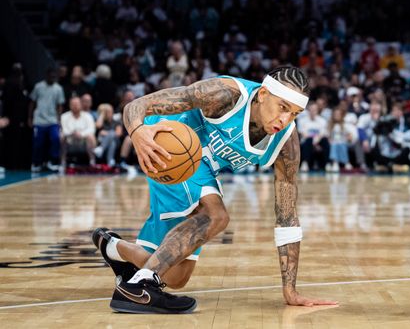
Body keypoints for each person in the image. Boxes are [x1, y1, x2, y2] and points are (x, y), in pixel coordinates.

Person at [91, 66, 336, 314]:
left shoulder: (286, 143)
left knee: (176, 276)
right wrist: (137, 131)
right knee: (216, 215)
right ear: (262, 94)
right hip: (165, 145)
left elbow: (287, 216)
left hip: (199, 165)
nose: (285, 120)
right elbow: (137, 106)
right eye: (283, 107)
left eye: (295, 114)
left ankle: (114, 248)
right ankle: (139, 287)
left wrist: (290, 290)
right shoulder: (225, 95)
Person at [29, 68, 65, 172]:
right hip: (39, 120)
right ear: (47, 76)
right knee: (38, 143)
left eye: (55, 77)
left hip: (52, 120)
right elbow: (32, 102)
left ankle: (52, 161)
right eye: (51, 76)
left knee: (55, 139)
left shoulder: (58, 88)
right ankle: (36, 163)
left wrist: (59, 120)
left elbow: (59, 105)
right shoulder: (38, 86)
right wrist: (30, 117)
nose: (53, 78)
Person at [60, 96, 97, 171]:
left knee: (91, 136)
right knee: (62, 136)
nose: (75, 106)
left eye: (77, 104)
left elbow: (92, 129)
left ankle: (92, 162)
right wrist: (73, 133)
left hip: (84, 141)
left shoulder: (88, 116)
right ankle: (62, 162)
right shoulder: (64, 116)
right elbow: (64, 130)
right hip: (70, 141)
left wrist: (81, 134)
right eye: (73, 104)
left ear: (81, 105)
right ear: (70, 105)